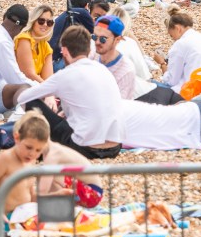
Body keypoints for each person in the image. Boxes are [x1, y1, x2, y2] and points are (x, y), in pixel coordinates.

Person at [17, 25, 124, 159]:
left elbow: (23, 98)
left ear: (65, 51)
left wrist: (48, 98)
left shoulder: (65, 74)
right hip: (115, 147)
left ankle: (37, 142)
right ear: (89, 49)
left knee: (31, 102)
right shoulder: (103, 70)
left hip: (84, 148)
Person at [0, 110, 102, 216]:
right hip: (9, 216)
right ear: (17, 138)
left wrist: (56, 195)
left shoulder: (30, 162)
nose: (32, 154)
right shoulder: (6, 159)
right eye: (29, 147)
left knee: (70, 221)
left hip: (25, 214)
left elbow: (32, 198)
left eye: (38, 150)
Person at [160, 7, 201, 93]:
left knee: (148, 86)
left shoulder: (180, 44)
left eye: (171, 35)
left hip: (193, 93)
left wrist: (162, 63)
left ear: (178, 28)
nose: (173, 39)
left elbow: (171, 81)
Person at [90, 15, 139, 99]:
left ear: (117, 40)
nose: (97, 42)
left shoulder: (126, 70)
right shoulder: (92, 56)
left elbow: (119, 107)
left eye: (103, 39)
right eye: (94, 37)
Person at [13, 5, 55, 82]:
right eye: (41, 21)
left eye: (49, 22)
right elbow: (28, 74)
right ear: (33, 21)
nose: (45, 25)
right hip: (19, 86)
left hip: (34, 86)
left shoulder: (46, 46)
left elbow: (48, 78)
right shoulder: (24, 39)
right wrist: (48, 89)